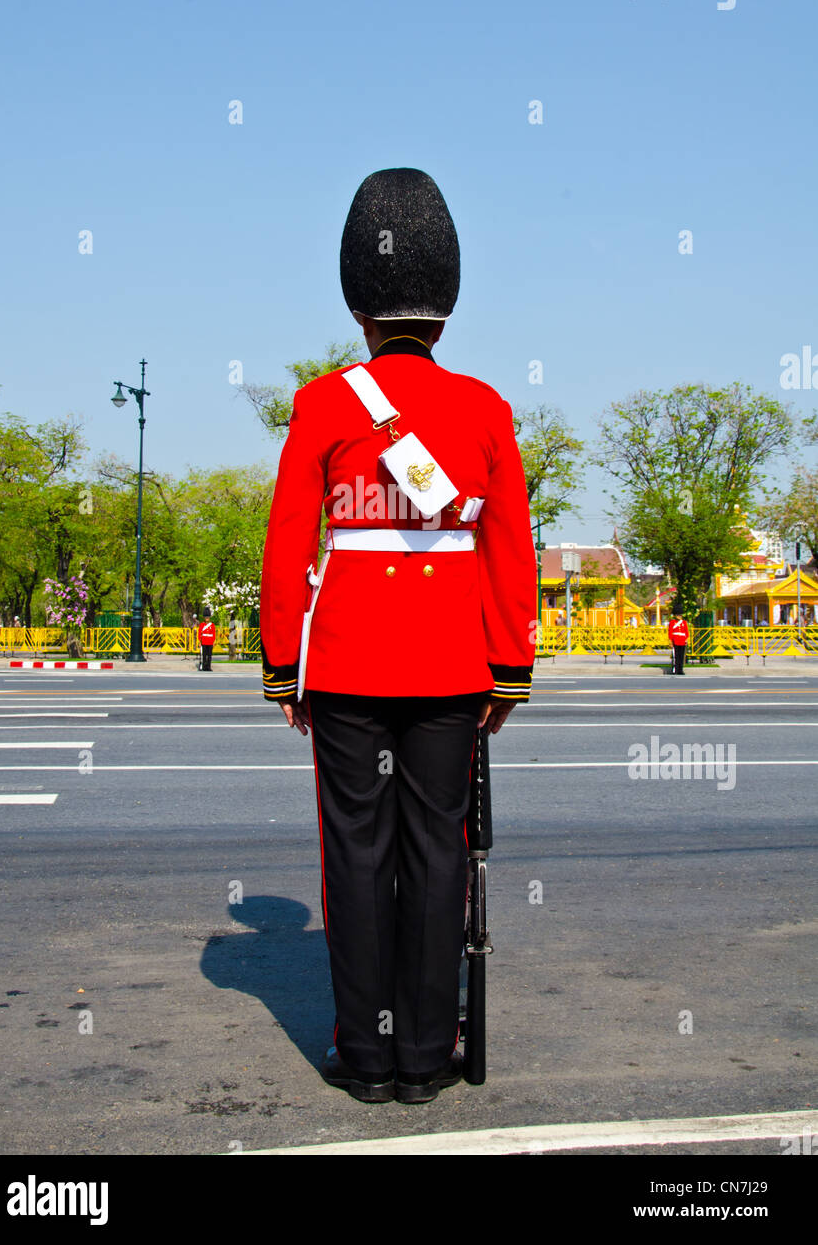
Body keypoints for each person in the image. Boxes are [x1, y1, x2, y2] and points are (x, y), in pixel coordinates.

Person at [259, 167, 538, 1104]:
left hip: (345, 665)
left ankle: (365, 1056)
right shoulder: (486, 408)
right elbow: (508, 553)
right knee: (439, 853)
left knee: (356, 856)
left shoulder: (323, 405)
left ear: (360, 308)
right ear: (445, 310)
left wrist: (283, 665)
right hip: (453, 665)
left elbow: (289, 541)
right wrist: (508, 669)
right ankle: (425, 1057)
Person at [668, 606, 689, 674]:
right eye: (677, 615)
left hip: (682, 641)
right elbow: (670, 632)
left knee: (681, 657)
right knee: (676, 656)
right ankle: (676, 669)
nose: (679, 616)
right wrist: (670, 641)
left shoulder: (684, 623)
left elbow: (686, 632)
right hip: (675, 641)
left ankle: (680, 670)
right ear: (675, 615)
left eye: (680, 615)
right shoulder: (672, 622)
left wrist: (686, 639)